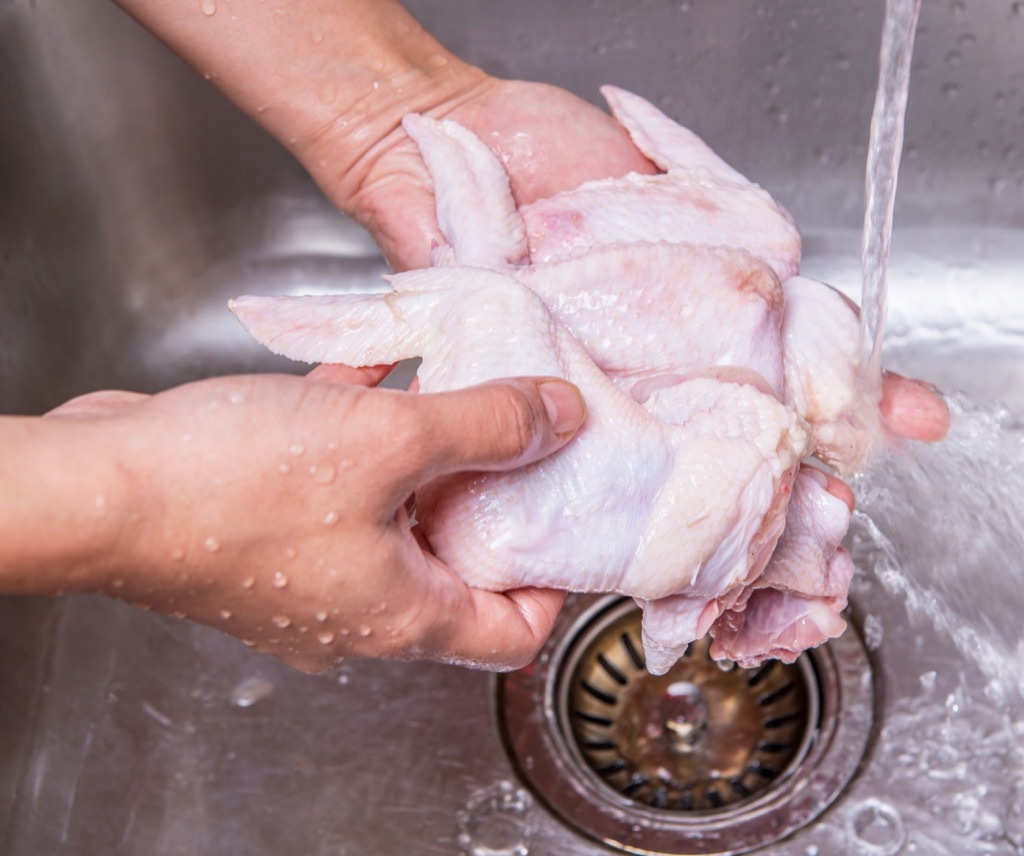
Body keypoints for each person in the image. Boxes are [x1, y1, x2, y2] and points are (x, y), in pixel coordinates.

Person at [0, 0, 948, 674]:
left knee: (733, 281)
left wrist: (394, 116)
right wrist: (142, 511)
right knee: (713, 285)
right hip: (627, 433)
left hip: (636, 420)